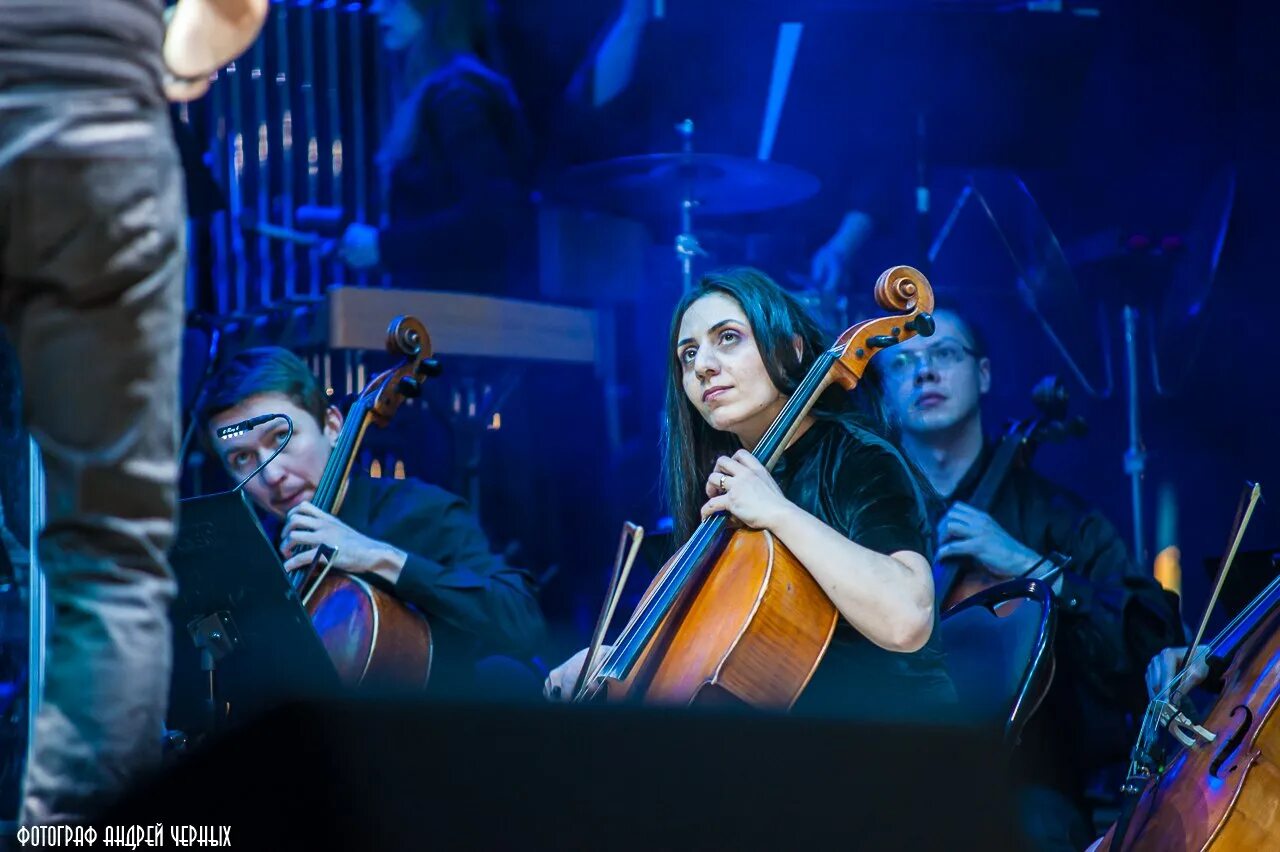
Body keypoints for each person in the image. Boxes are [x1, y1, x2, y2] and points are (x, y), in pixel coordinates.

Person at [0, 0, 268, 825]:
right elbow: (225, 12)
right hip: (91, 131)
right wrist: (177, 70)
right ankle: (77, 836)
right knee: (105, 552)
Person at [544, 267, 955, 717]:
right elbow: (704, 662)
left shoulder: (857, 457)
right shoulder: (736, 487)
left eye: (728, 338)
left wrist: (778, 512)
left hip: (894, 744)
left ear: (792, 350)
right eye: (688, 355)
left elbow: (907, 620)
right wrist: (615, 661)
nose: (703, 366)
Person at [871, 308, 1184, 851]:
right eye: (903, 363)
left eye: (944, 354)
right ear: (886, 394)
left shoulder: (1058, 518)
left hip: (1027, 787)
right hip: (885, 780)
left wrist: (1031, 567)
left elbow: (1152, 646)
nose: (924, 372)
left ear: (984, 374)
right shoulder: (865, 520)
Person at [197, 347, 547, 697]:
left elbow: (522, 622)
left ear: (333, 426)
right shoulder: (254, 566)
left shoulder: (422, 512)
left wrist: (379, 558)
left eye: (281, 438)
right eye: (242, 457)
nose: (271, 474)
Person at [338, 0, 535, 297]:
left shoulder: (458, 97)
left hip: (474, 323)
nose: (379, 9)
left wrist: (384, 246)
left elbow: (492, 218)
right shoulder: (448, 91)